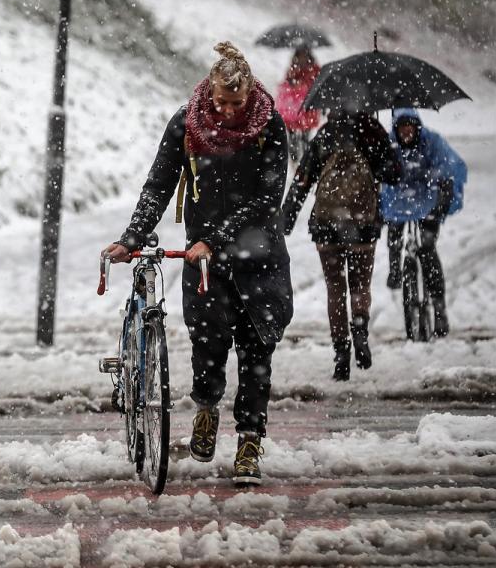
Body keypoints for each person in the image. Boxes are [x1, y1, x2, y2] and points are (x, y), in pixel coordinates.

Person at [103, 42, 292, 487]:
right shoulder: (188, 123)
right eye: (221, 102)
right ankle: (207, 410)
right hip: (202, 258)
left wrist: (215, 237)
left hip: (258, 256)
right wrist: (131, 236)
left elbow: (269, 199)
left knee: (256, 352)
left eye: (236, 103)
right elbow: (160, 183)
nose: (227, 112)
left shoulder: (270, 126)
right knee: (207, 344)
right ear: (209, 91)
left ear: (250, 95)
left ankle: (249, 440)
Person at [281, 112, 401, 381]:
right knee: (360, 286)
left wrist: (285, 221)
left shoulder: (325, 134)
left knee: (335, 288)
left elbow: (303, 180)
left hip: (327, 226)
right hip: (363, 225)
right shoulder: (373, 133)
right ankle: (359, 329)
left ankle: (341, 354)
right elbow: (395, 175)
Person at [381, 108, 467, 338]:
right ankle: (395, 271)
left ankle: (439, 308)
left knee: (427, 250)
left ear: (417, 126)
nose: (406, 131)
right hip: (398, 202)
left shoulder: (432, 142)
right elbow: (377, 173)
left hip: (428, 201)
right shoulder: (388, 144)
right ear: (396, 128)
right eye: (401, 126)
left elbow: (448, 166)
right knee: (394, 239)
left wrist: (439, 188)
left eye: (410, 125)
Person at [275, 47, 321, 167]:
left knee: (305, 136)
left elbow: (317, 84)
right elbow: (288, 81)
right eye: (300, 56)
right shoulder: (293, 68)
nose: (302, 58)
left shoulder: (314, 69)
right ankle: (294, 160)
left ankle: (305, 160)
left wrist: (305, 85)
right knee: (292, 136)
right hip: (293, 110)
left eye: (304, 55)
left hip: (307, 109)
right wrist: (294, 82)